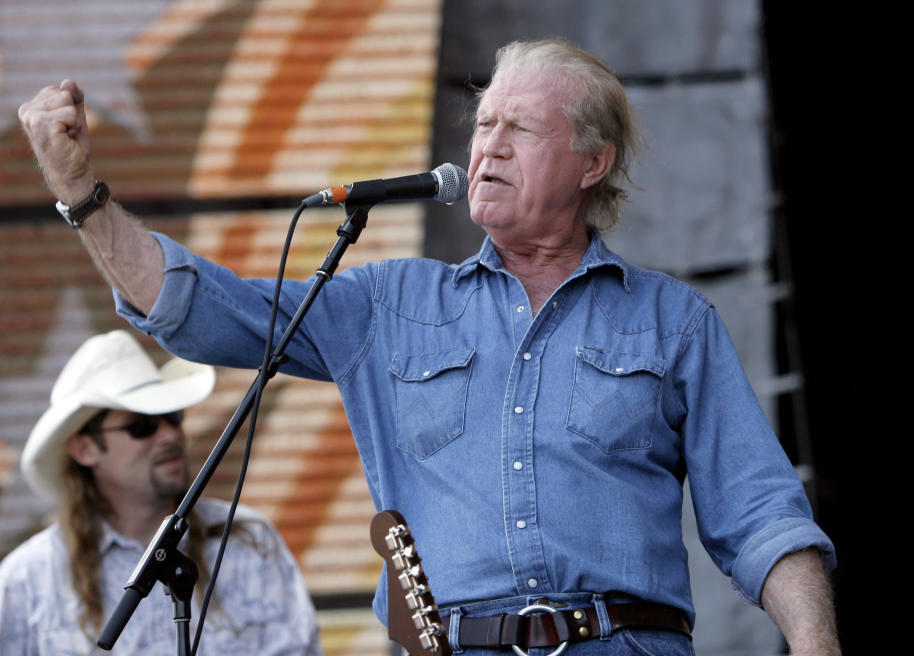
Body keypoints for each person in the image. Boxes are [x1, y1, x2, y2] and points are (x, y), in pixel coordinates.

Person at [18, 39, 840, 655]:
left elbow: (763, 515)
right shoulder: (389, 303)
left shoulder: (674, 322)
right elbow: (201, 310)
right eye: (484, 124)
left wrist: (814, 645)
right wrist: (80, 195)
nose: (489, 146)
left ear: (595, 161)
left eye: (521, 127)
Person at [0, 330, 322, 655]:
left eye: (173, 417)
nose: (169, 435)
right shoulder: (26, 579)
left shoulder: (249, 540)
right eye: (142, 426)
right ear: (84, 449)